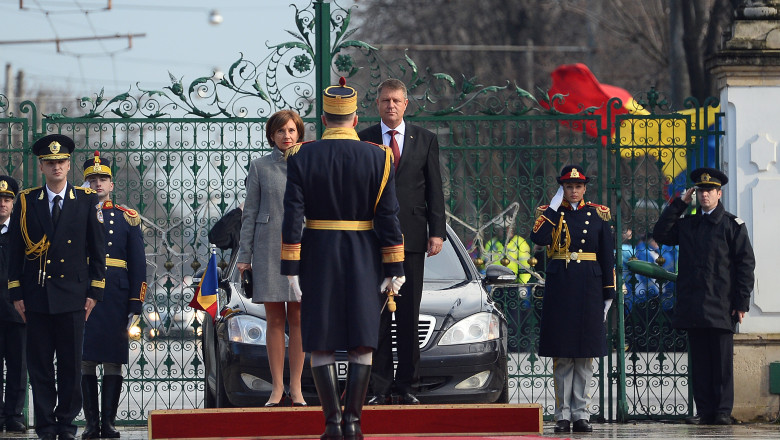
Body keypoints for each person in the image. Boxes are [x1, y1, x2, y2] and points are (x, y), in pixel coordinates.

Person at [281, 78, 405, 440]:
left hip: (318, 253)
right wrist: (395, 267)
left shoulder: (301, 155)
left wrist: (291, 267)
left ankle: (332, 423)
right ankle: (354, 422)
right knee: (361, 338)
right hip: (363, 254)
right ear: (354, 118)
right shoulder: (379, 156)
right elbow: (388, 217)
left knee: (320, 338)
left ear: (323, 118)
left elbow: (293, 216)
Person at [7, 134, 106, 440]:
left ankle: (66, 423)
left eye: (61, 162)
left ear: (68, 164)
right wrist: (16, 292)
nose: (56, 167)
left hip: (73, 296)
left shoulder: (86, 201)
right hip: (36, 296)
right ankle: (46, 425)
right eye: (50, 163)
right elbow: (15, 250)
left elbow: (97, 249)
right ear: (41, 166)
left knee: (70, 365)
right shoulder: (26, 201)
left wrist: (94, 292)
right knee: (39, 367)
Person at [358, 78, 446, 405]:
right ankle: (378, 386)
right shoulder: (363, 139)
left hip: (412, 239)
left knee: (407, 313)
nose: (390, 106)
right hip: (372, 240)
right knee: (379, 313)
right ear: (377, 104)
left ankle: (407, 384)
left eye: (396, 100)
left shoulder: (425, 139)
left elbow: (435, 189)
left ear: (406, 103)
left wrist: (437, 231)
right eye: (385, 101)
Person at [652, 167, 755, 426]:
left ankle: (721, 411)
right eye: (700, 190)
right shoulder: (689, 224)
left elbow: (745, 265)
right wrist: (679, 204)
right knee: (700, 362)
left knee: (721, 363)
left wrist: (742, 302)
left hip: (722, 304)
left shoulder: (732, 225)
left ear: (719, 193)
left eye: (709, 190)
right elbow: (661, 233)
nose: (705, 194)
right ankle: (705, 410)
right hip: (694, 304)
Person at [530, 165, 615, 434]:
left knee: (585, 356)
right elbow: (538, 238)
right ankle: (562, 414)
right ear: (562, 189)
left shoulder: (598, 214)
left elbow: (607, 255)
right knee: (563, 355)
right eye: (569, 187)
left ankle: (581, 413)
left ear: (585, 188)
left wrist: (608, 292)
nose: (574, 191)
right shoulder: (551, 213)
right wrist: (555, 208)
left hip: (589, 287)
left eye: (578, 186)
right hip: (562, 288)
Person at [236, 110, 307, 407]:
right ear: (271, 135)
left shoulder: (309, 161)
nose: (286, 136)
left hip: (303, 248)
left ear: (299, 133)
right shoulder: (260, 166)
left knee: (300, 318)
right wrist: (244, 256)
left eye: (291, 130)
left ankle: (297, 388)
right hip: (268, 248)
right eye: (280, 131)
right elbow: (250, 212)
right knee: (275, 320)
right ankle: (277, 388)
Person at [80, 151, 147, 439]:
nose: (97, 184)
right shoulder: (75, 214)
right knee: (85, 359)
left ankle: (108, 423)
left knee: (113, 359)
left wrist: (136, 299)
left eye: (102, 179)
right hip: (82, 294)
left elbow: (139, 262)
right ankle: (90, 424)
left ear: (111, 184)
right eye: (91, 179)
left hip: (115, 296)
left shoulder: (126, 218)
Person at [0, 175, 27, 433]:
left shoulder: (22, 231)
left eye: (8, 199)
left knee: (18, 367)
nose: (3, 204)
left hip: (16, 310)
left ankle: (14, 415)